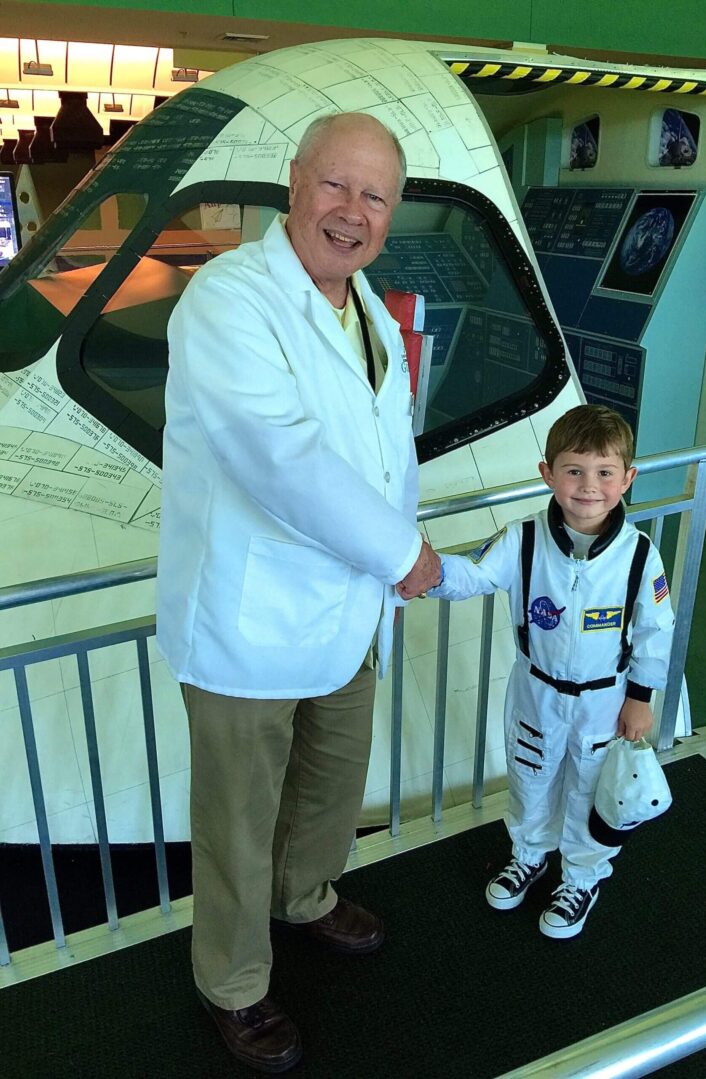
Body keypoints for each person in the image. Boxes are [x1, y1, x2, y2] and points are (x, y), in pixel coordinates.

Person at [156, 112, 441, 1073]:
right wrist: (402, 552)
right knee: (238, 816)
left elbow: (382, 453)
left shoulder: (367, 313)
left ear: (389, 216)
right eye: (335, 184)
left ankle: (307, 896)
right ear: (293, 182)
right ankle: (231, 980)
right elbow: (282, 459)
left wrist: (391, 555)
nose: (351, 212)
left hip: (346, 607)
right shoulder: (229, 301)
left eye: (374, 196)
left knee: (328, 785)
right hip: (250, 618)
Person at [400, 404, 674, 939]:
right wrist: (427, 570)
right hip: (536, 691)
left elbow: (653, 633)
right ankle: (529, 854)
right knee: (531, 778)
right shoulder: (522, 540)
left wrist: (640, 697)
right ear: (547, 473)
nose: (588, 486)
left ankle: (582, 875)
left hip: (604, 699)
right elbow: (472, 575)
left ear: (628, 478)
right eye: (573, 471)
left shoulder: (640, 557)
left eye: (604, 473)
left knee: (590, 788)